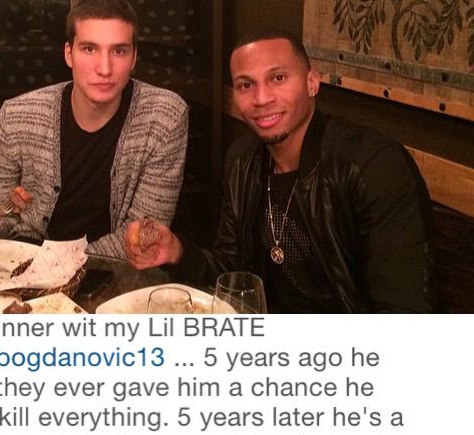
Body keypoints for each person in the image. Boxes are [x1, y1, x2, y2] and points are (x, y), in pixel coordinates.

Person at [125, 32, 436, 313]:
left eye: (278, 78)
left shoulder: (372, 164)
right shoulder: (243, 161)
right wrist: (177, 251)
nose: (262, 99)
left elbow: (406, 313)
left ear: (312, 82)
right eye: (246, 85)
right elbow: (232, 272)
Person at [0, 0, 188, 259]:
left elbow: (143, 237)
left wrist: (55, 267)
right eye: (89, 49)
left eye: (119, 51)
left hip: (112, 274)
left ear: (134, 58)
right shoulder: (15, 117)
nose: (104, 68)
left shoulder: (164, 117)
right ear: (69, 54)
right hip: (21, 267)